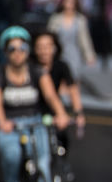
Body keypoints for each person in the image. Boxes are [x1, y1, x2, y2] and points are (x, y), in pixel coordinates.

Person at [0, 26, 71, 182]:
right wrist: (3, 122)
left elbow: (51, 96)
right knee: (13, 154)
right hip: (9, 124)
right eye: (12, 48)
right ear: (5, 52)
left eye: (22, 48)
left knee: (43, 166)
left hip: (35, 122)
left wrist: (61, 114)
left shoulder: (36, 71)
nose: (18, 53)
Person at [32, 30, 86, 158]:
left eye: (48, 46)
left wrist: (78, 112)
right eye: (40, 47)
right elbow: (49, 93)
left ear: (54, 48)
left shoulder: (61, 66)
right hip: (33, 110)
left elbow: (72, 89)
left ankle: (61, 166)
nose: (44, 51)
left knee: (61, 139)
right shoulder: (31, 67)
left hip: (53, 109)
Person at [47, 0, 96, 76]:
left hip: (74, 53)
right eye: (67, 2)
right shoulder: (56, 19)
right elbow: (49, 36)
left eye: (71, 2)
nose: (69, 5)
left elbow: (84, 39)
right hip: (59, 53)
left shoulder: (80, 20)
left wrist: (89, 55)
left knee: (74, 77)